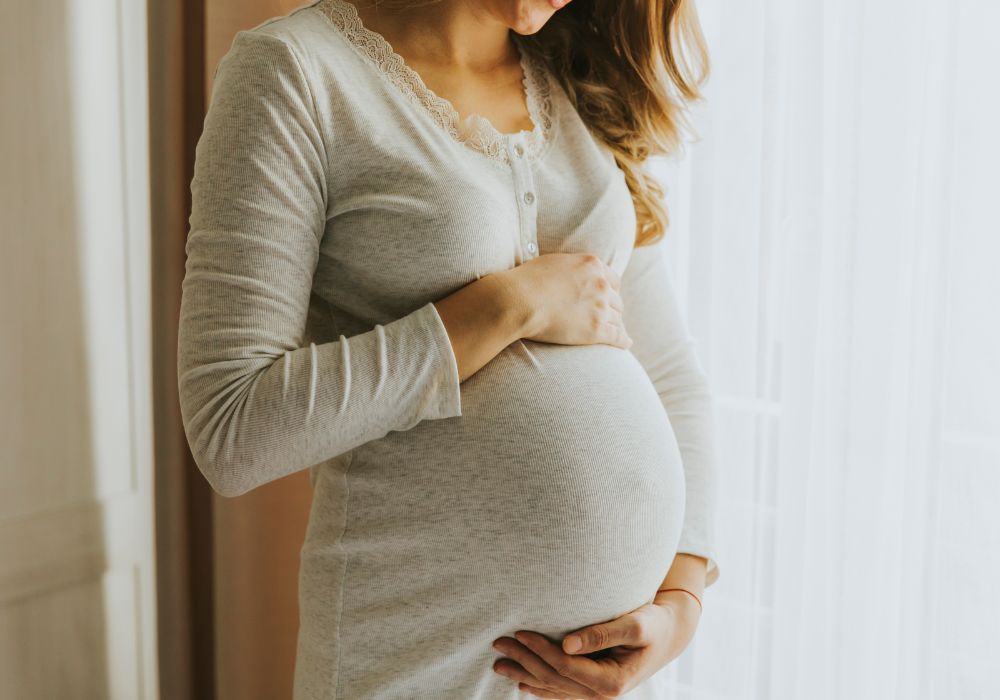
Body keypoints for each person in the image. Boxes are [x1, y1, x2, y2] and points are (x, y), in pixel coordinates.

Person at [176, 0, 720, 697]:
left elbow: (671, 373)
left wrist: (680, 604)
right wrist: (502, 309)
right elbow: (232, 429)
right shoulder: (296, 73)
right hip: (415, 660)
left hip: (599, 679)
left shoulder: (576, 75)